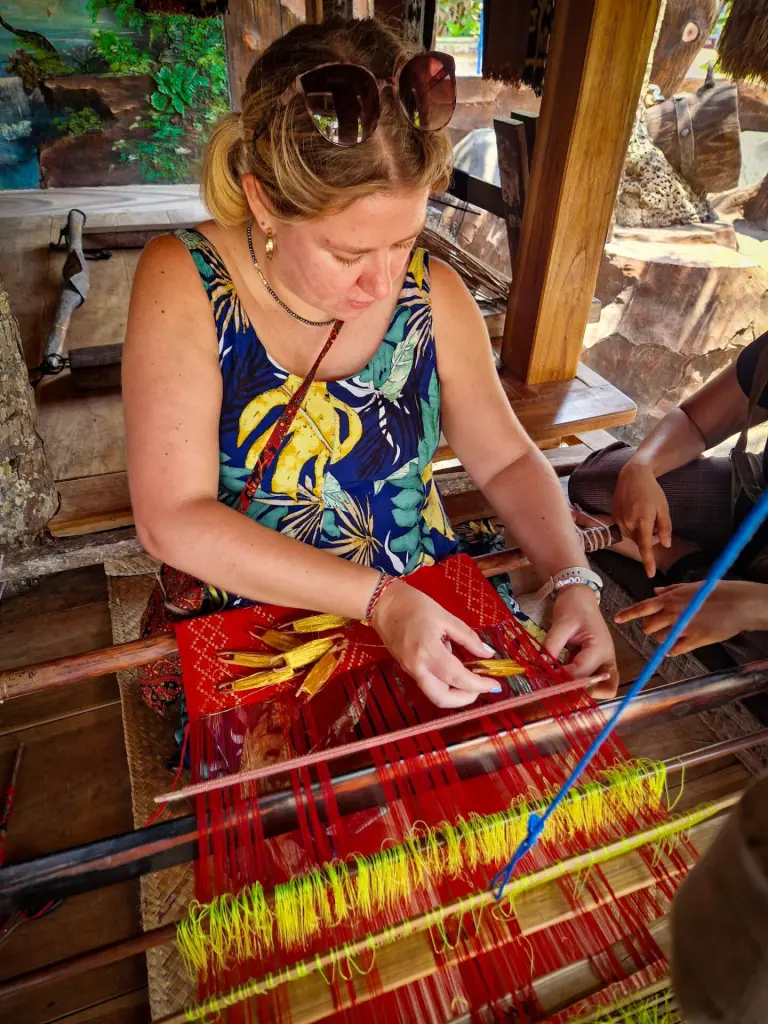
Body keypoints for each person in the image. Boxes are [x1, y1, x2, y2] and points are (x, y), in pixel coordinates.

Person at [123, 17, 617, 720]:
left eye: (404, 240)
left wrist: (571, 577)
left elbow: (507, 459)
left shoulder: (432, 294)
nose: (381, 284)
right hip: (258, 627)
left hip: (423, 607)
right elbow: (173, 518)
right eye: (347, 255)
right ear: (262, 199)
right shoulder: (185, 282)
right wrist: (377, 601)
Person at [569, 332, 768, 660]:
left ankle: (672, 555)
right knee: (598, 484)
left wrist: (750, 605)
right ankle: (705, 571)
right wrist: (642, 468)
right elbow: (694, 421)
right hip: (757, 501)